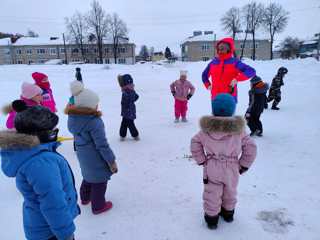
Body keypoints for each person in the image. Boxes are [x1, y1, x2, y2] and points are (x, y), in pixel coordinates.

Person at [0, 105, 79, 240]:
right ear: (42, 134)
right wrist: (66, 233)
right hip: (50, 231)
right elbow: (53, 202)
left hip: (40, 225)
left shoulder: (34, 153)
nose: (56, 132)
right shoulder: (41, 162)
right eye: (53, 130)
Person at [190, 93, 257, 229]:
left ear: (213, 110)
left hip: (212, 167)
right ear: (232, 111)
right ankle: (228, 213)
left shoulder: (206, 130)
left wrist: (201, 160)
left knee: (212, 192)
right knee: (230, 190)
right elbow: (251, 147)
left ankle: (212, 219)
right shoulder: (239, 131)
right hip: (232, 167)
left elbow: (195, 142)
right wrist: (243, 165)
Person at [65, 83, 118, 215]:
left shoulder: (73, 118)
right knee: (100, 180)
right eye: (95, 103)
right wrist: (111, 161)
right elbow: (102, 145)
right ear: (88, 106)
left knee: (87, 175)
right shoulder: (94, 122)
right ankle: (98, 206)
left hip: (83, 155)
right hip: (95, 157)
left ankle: (84, 198)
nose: (97, 106)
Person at [202, 37, 256, 103]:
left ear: (229, 49)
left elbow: (251, 71)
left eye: (222, 49)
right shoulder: (213, 63)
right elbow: (204, 75)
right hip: (215, 99)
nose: (220, 51)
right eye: (218, 49)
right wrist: (208, 85)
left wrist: (237, 79)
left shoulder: (234, 62)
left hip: (230, 99)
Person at [118, 74, 140, 141]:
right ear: (125, 85)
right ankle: (132, 135)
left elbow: (134, 98)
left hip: (129, 111)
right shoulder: (126, 92)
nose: (132, 85)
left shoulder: (128, 91)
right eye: (130, 83)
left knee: (127, 123)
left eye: (131, 83)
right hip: (127, 111)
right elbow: (130, 99)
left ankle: (125, 135)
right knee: (128, 124)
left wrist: (134, 95)